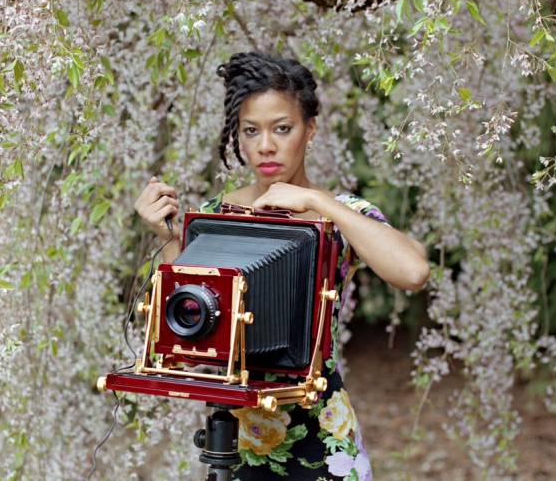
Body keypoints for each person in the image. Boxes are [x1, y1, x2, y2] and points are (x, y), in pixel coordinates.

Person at [134, 51, 430, 480]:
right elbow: (186, 342)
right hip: (236, 439)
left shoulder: (338, 214)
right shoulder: (217, 216)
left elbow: (414, 272)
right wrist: (167, 239)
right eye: (251, 131)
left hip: (323, 439)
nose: (265, 145)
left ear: (310, 131)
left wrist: (319, 202)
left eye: (282, 129)